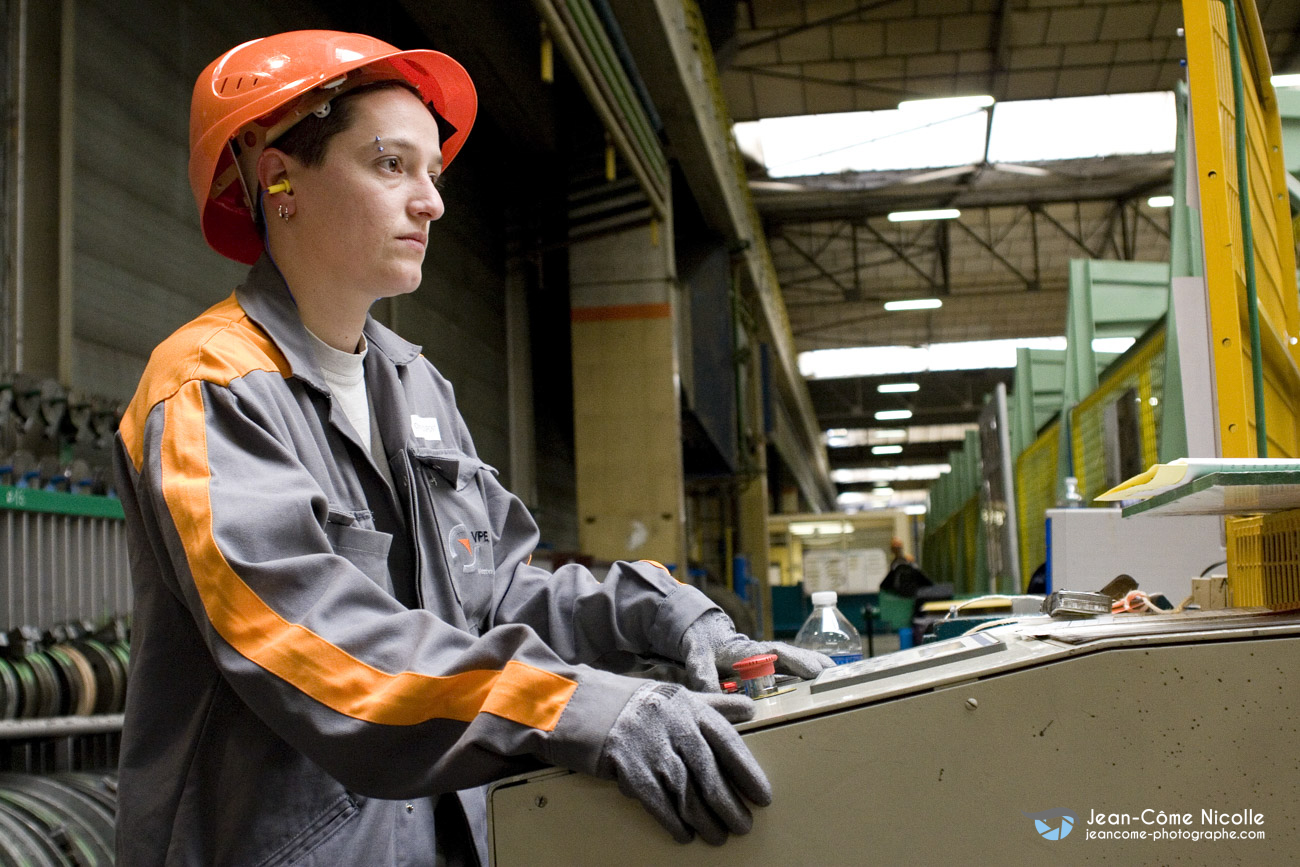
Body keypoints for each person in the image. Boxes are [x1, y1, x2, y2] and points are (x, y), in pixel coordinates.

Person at [113, 30, 833, 866]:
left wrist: (670, 619)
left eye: (434, 175)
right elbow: (303, 640)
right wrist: (578, 707)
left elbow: (497, 591)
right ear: (278, 176)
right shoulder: (206, 388)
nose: (432, 203)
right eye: (391, 164)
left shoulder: (414, 386)